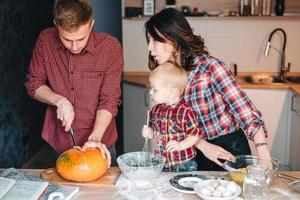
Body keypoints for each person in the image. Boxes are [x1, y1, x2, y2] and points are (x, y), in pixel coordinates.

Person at [144, 8, 271, 171]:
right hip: (193, 151)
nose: (149, 48)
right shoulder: (164, 74)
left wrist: (263, 153)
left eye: (154, 40)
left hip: (228, 147)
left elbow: (245, 112)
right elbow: (165, 120)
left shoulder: (211, 68)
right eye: (149, 41)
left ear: (173, 39)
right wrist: (203, 146)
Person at [25, 0, 123, 166]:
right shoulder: (45, 40)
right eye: (67, 39)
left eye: (81, 38)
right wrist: (59, 101)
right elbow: (33, 83)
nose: (75, 46)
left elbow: (110, 100)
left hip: (100, 143)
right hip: (60, 143)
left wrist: (94, 139)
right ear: (56, 25)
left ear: (91, 24)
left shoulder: (110, 47)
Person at [142, 62, 204, 172]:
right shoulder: (156, 110)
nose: (151, 92)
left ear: (173, 92)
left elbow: (195, 135)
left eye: (155, 89)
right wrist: (148, 132)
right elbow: (154, 132)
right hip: (162, 162)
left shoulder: (186, 112)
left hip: (184, 164)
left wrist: (181, 145)